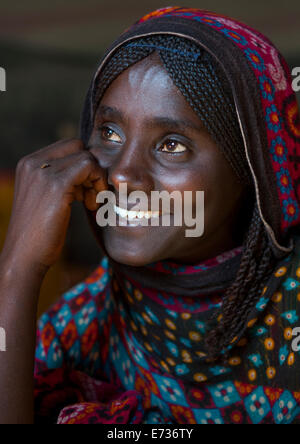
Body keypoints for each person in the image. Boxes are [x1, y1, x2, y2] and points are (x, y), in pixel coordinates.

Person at [0, 6, 300, 425]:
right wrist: (17, 269)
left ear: (253, 169)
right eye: (109, 132)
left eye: (172, 144)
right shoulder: (91, 313)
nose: (122, 174)